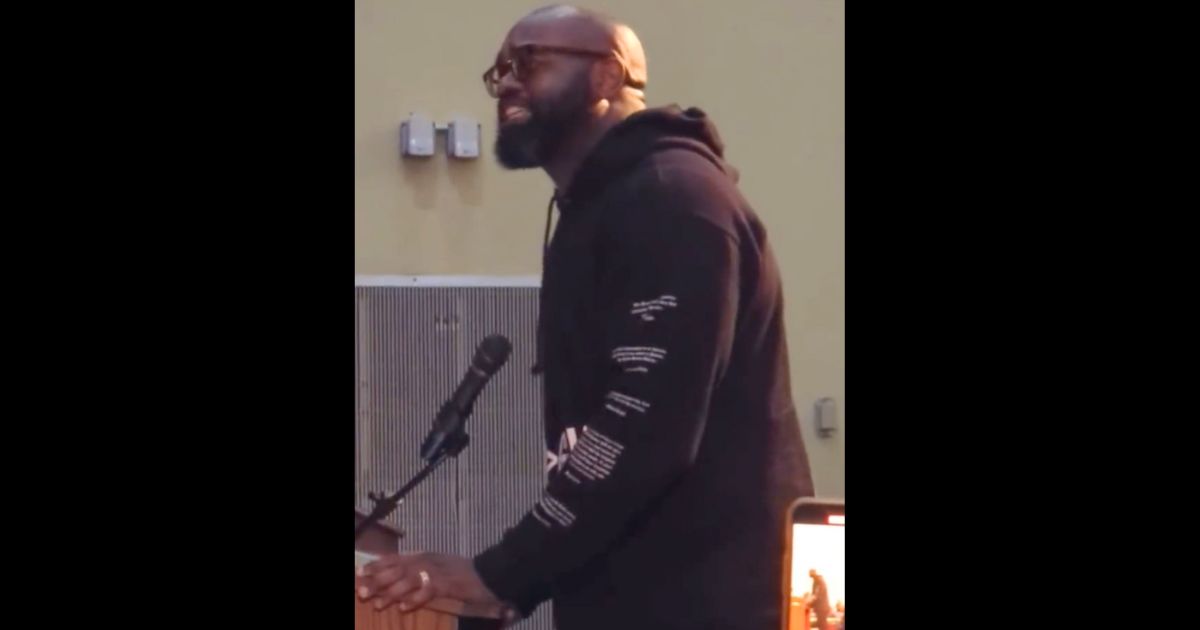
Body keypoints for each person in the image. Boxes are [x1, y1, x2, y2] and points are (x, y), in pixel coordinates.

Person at [357, 5, 814, 629]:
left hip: (706, 604)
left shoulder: (674, 199)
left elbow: (642, 425)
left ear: (608, 77)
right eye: (498, 72)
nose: (507, 82)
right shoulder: (599, 210)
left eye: (530, 61)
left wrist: (501, 574)